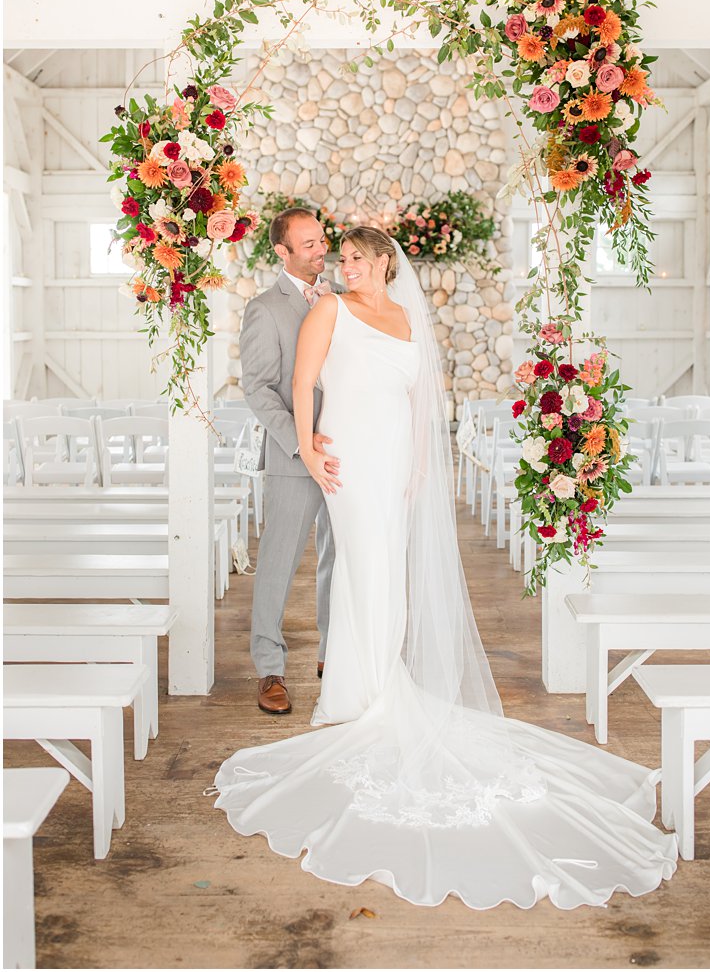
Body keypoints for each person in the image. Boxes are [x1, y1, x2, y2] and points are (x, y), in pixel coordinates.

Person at [213, 227, 677, 909]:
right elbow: (304, 383)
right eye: (339, 259)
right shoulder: (327, 312)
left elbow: (421, 400)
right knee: (363, 567)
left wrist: (424, 462)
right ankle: (359, 692)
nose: (344, 267)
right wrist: (310, 452)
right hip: (346, 458)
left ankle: (372, 679)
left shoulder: (404, 319)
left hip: (396, 457)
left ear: (383, 265)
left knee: (386, 572)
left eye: (354, 260)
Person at [239, 207, 336, 714]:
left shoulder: (342, 299)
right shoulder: (265, 308)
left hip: (344, 454)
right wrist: (301, 442)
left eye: (322, 240)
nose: (322, 250)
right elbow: (256, 388)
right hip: (293, 457)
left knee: (338, 558)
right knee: (278, 562)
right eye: (309, 245)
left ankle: (333, 651)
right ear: (282, 252)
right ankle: (269, 668)